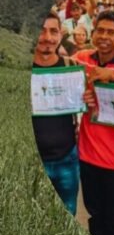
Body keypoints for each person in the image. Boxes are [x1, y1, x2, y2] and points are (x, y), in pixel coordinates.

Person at [74, 9, 114, 235]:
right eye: (100, 30)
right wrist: (80, 95)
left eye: (111, 32)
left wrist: (113, 79)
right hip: (86, 155)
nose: (104, 37)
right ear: (92, 32)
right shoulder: (80, 59)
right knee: (94, 215)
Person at [32, 12, 80, 214]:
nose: (48, 38)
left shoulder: (72, 66)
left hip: (66, 159)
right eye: (41, 31)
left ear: (60, 35)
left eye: (53, 31)